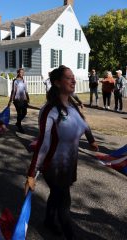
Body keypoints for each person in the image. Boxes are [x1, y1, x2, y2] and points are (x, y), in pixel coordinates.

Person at [25, 65, 98, 239]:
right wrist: (31, 174)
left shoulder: (72, 105)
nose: (73, 80)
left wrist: (91, 139)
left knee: (56, 196)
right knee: (64, 205)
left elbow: (84, 124)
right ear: (57, 83)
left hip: (69, 165)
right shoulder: (49, 110)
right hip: (53, 167)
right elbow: (43, 143)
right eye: (68, 77)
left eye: (73, 77)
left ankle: (48, 221)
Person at [8, 68, 30, 133]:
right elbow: (13, 91)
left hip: (23, 99)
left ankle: (18, 122)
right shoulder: (15, 81)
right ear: (18, 73)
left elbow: (25, 90)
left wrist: (28, 98)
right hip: (17, 100)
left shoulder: (24, 81)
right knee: (19, 113)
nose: (22, 73)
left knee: (24, 112)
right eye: (21, 72)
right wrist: (10, 101)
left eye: (23, 72)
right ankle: (19, 126)